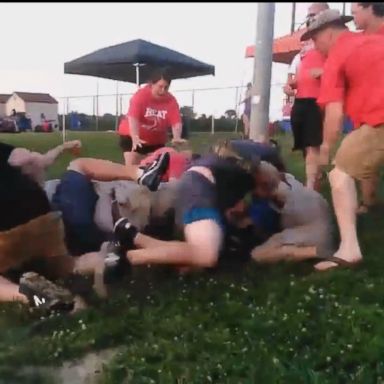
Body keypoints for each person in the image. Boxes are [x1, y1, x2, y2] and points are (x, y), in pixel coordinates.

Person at [301, 9, 384, 270]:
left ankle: (349, 249)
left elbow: (334, 112)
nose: (315, 47)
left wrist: (325, 149)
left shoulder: (337, 56)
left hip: (380, 118)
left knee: (340, 176)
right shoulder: (372, 40)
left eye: (315, 40)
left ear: (328, 33)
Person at [104, 152, 257, 272]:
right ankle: (129, 256)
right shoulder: (243, 177)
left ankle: (131, 235)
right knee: (207, 254)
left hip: (193, 186)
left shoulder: (221, 169)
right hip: (199, 188)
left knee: (198, 254)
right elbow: (239, 207)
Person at [283, 2, 329, 191]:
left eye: (315, 15)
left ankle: (311, 186)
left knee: (312, 144)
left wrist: (325, 71)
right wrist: (291, 86)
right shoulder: (304, 48)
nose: (310, 19)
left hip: (318, 100)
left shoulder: (330, 42)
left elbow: (343, 65)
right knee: (305, 145)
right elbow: (293, 78)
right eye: (309, 16)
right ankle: (316, 176)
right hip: (300, 100)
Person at [250, 162, 334, 264]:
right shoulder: (290, 180)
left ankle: (311, 252)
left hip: (311, 233)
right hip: (325, 229)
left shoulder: (280, 198)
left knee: (257, 254)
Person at [351, 2, 384, 213]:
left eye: (355, 12)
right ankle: (368, 201)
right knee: (365, 159)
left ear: (369, 8)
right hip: (365, 109)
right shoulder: (360, 39)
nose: (353, 16)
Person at [117, 68, 186, 166]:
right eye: (160, 86)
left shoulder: (171, 100)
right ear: (152, 84)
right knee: (132, 164)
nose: (162, 90)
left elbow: (176, 121)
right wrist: (135, 136)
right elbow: (133, 117)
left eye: (166, 87)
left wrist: (176, 137)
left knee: (154, 167)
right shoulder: (141, 95)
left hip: (156, 140)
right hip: (132, 136)